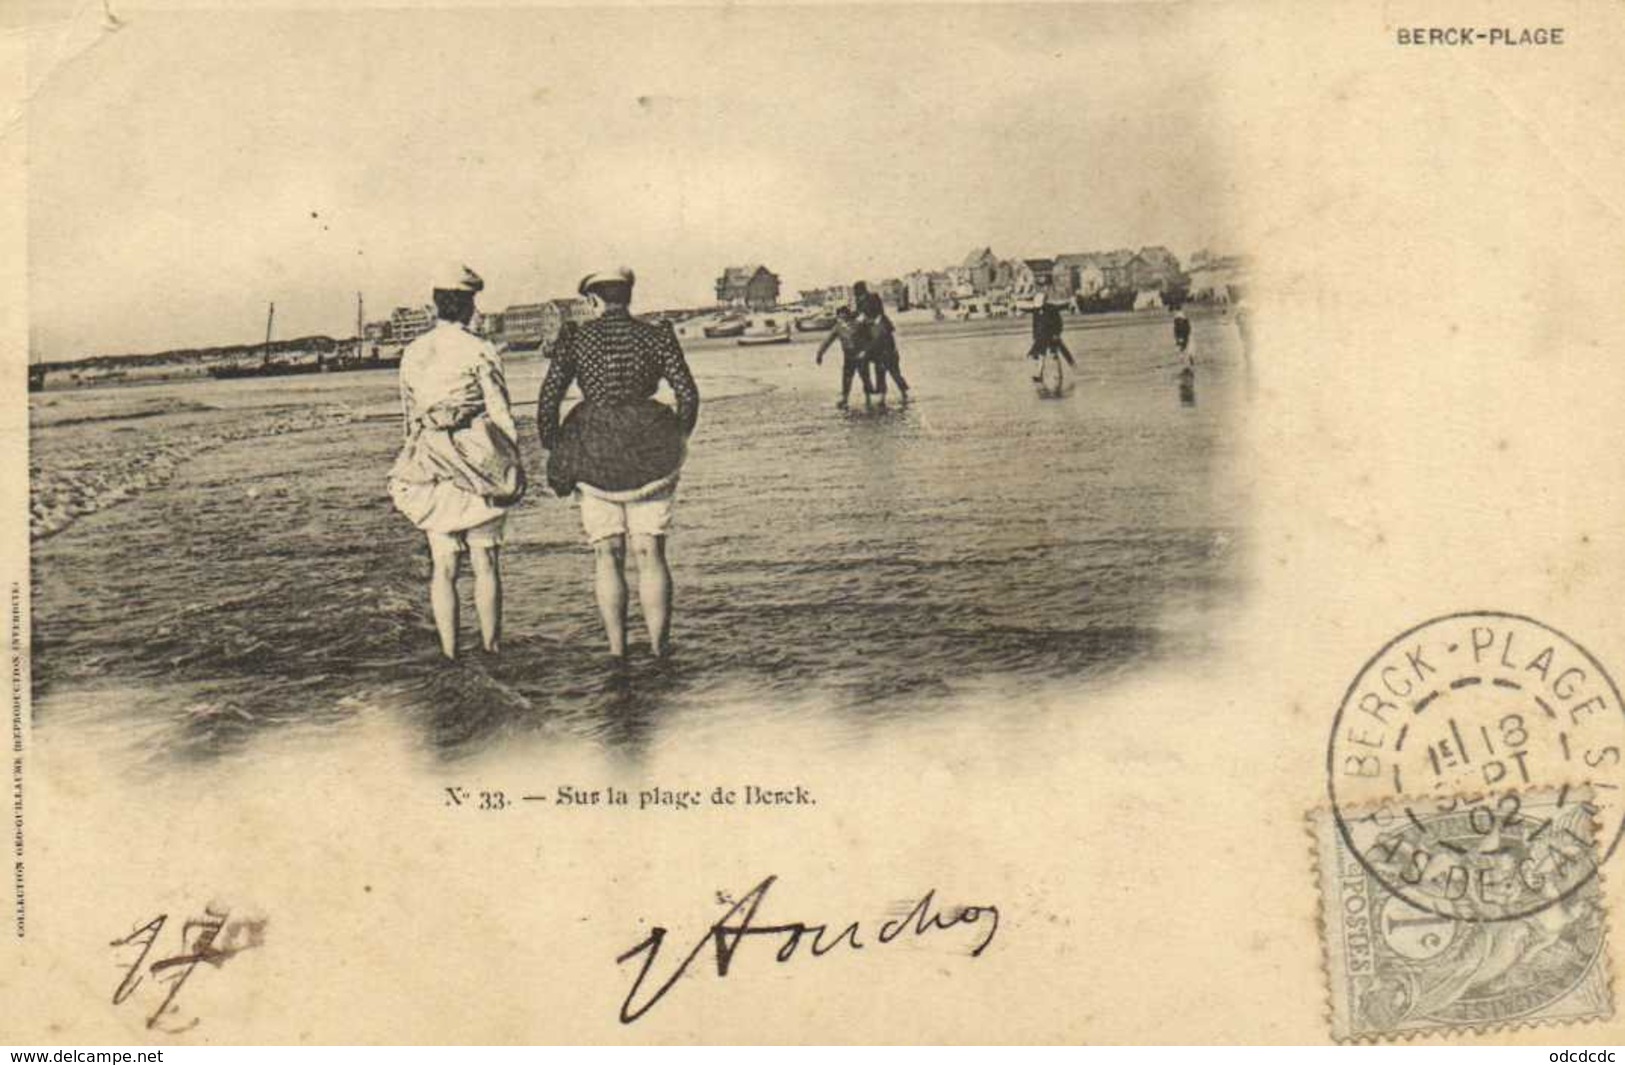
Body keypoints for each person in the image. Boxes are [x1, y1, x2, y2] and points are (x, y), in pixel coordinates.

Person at [537, 267, 700, 660]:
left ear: (593, 301)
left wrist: (558, 447)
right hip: (651, 450)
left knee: (606, 554)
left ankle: (617, 652)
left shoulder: (576, 337)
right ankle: (661, 650)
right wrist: (674, 436)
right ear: (628, 296)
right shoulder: (657, 334)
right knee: (651, 553)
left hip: (593, 452)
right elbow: (688, 395)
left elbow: (548, 400)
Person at [387, 263, 524, 660]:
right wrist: (510, 463)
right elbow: (500, 413)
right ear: (468, 305)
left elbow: (408, 417)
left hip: (431, 461)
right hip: (478, 460)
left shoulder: (413, 352)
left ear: (435, 306)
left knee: (442, 565)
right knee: (486, 561)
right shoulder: (480, 349)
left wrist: (419, 458)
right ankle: (491, 648)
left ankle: (450, 654)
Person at [853, 284, 908, 404]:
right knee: (887, 371)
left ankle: (897, 394)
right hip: (882, 348)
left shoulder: (880, 322)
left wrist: (864, 351)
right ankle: (888, 395)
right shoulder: (872, 317)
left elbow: (878, 338)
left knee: (890, 371)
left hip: (885, 349)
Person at [813, 306, 874, 409]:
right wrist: (820, 353)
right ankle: (845, 399)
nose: (842, 317)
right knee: (846, 378)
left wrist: (867, 351)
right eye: (840, 315)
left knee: (865, 377)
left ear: (848, 315)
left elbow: (869, 338)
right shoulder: (838, 327)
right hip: (848, 356)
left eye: (844, 315)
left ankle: (869, 398)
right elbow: (827, 341)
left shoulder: (858, 324)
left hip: (860, 355)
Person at [1027, 295, 1076, 382]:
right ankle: (1039, 375)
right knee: (1041, 356)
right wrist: (1035, 336)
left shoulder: (1052, 309)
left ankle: (1059, 374)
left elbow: (1059, 323)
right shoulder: (1036, 310)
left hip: (1052, 335)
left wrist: (1057, 333)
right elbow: (1035, 325)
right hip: (1041, 336)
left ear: (1045, 301)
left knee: (1054, 355)